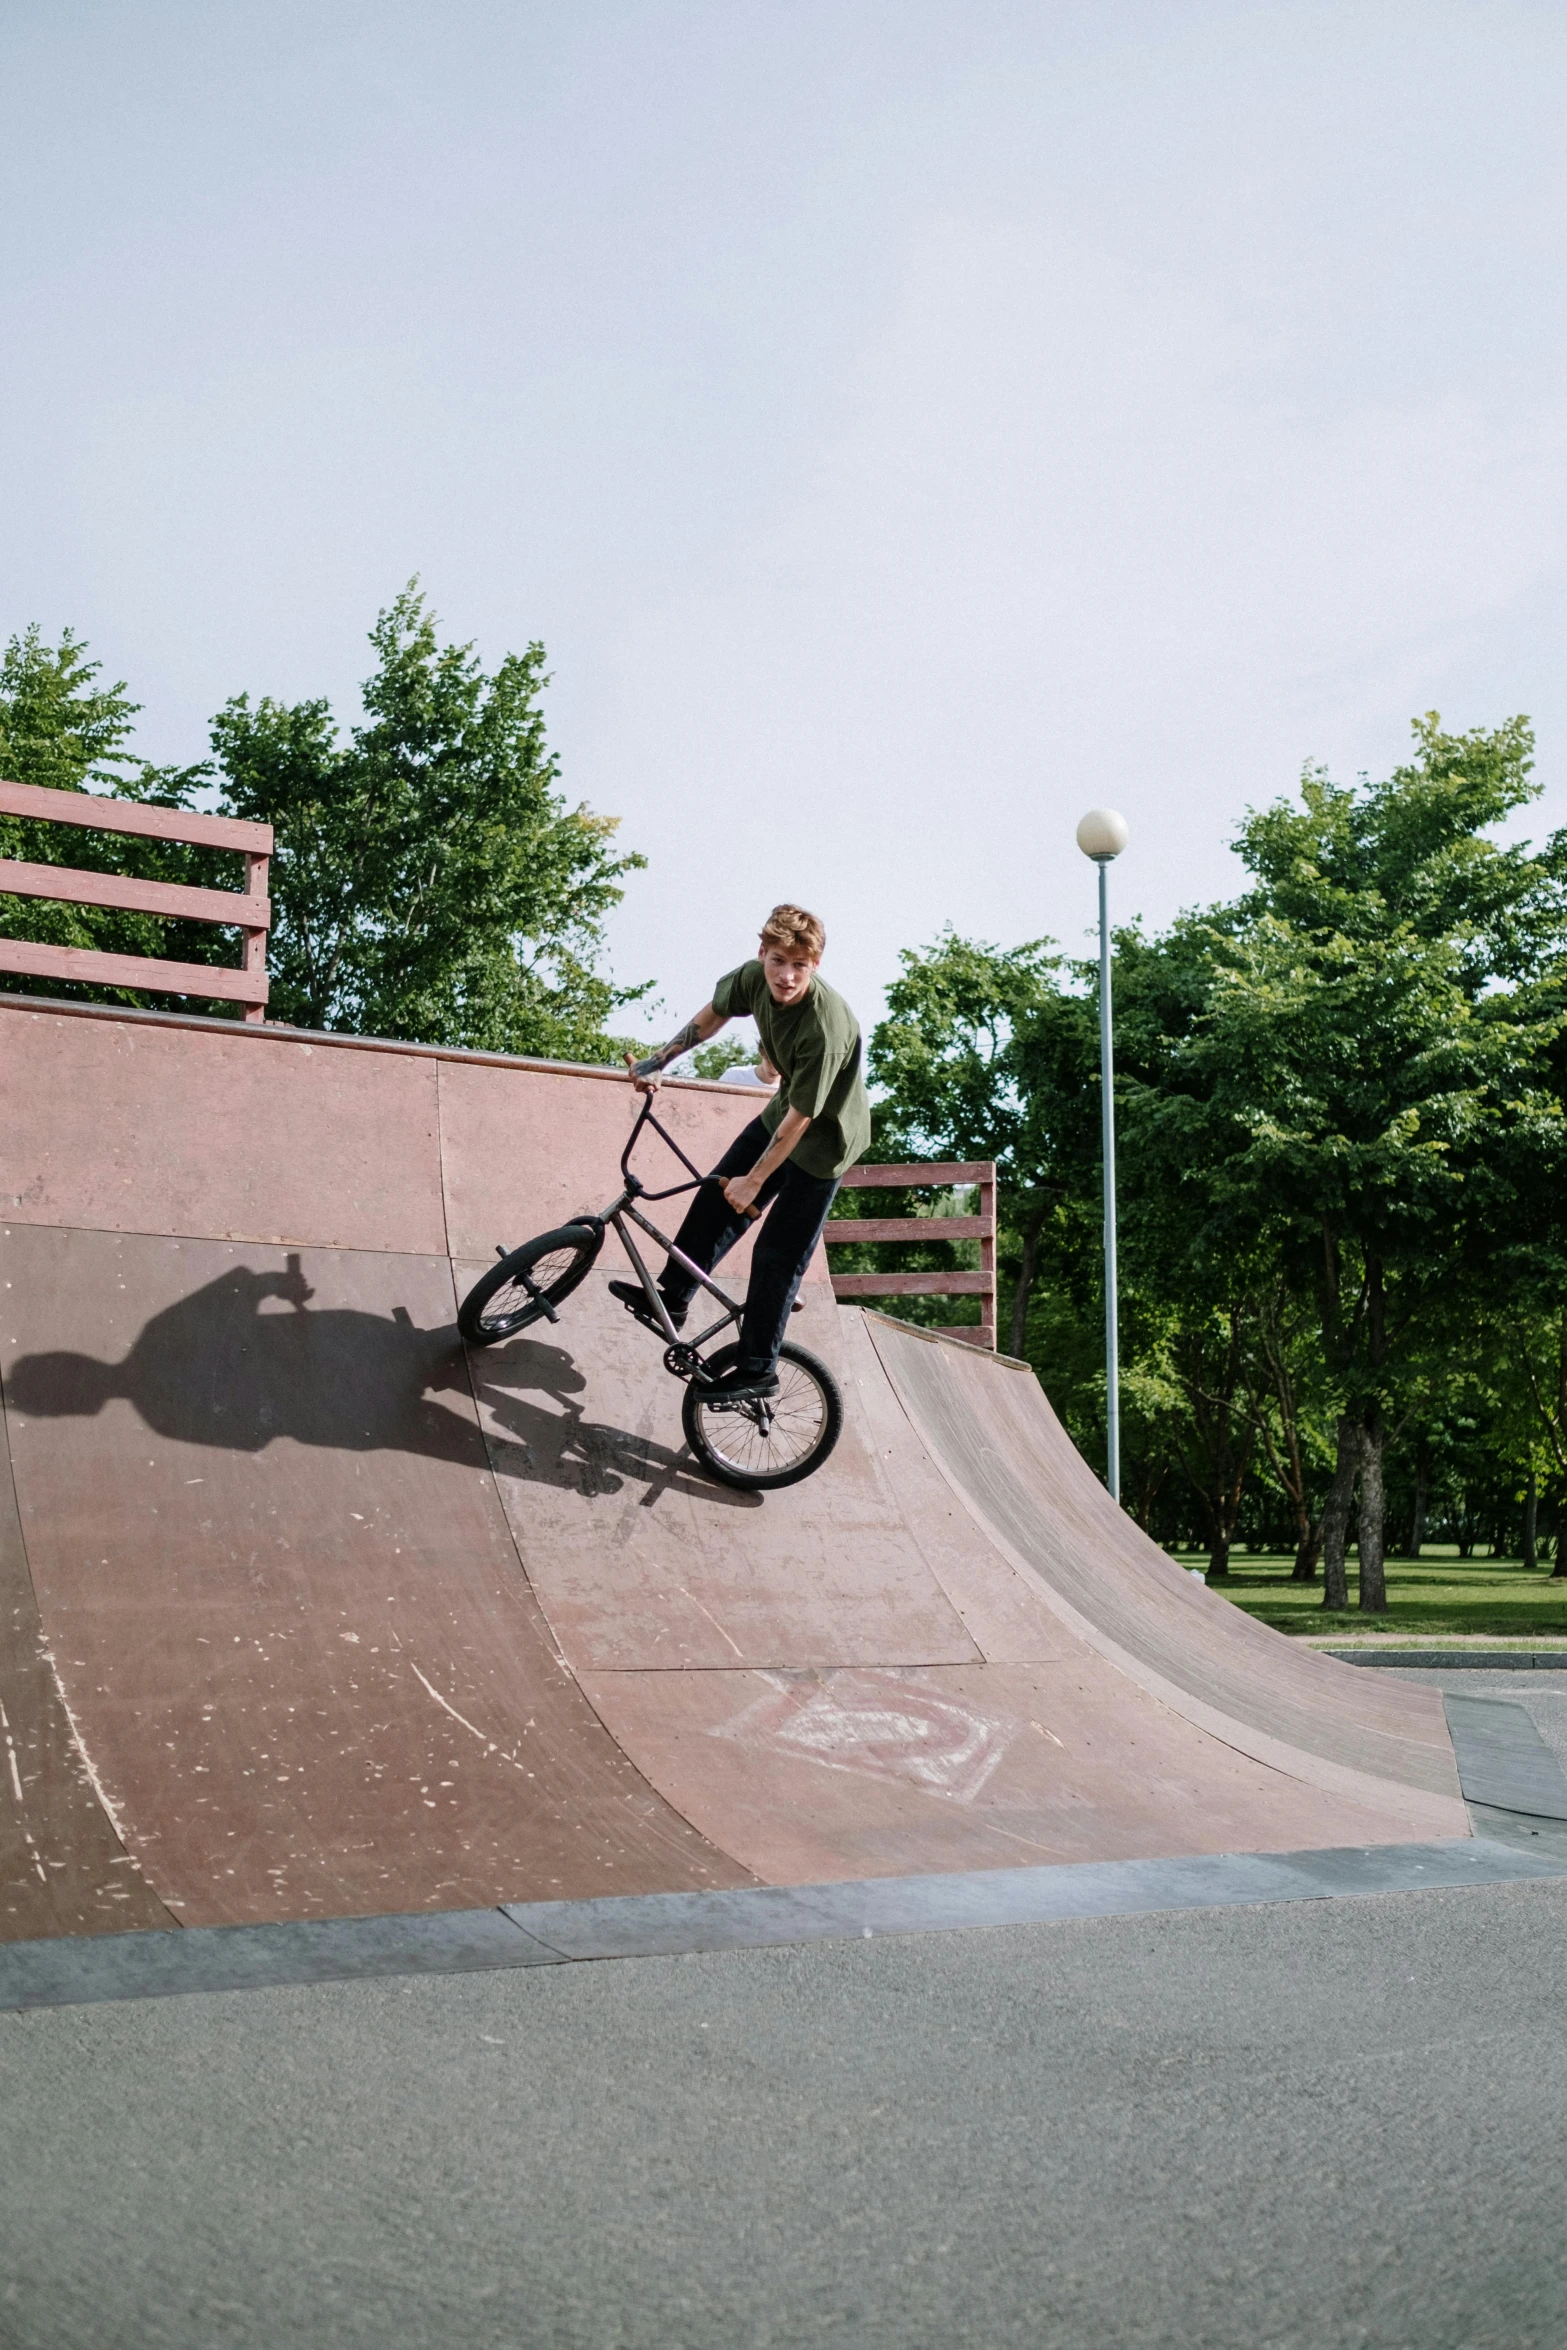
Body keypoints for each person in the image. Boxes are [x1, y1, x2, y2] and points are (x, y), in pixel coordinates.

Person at [610, 903, 870, 1400]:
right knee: (714, 1195)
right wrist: (658, 1059)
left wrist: (755, 1181)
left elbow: (803, 1120)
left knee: (777, 1253)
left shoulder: (826, 1027)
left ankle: (757, 1370)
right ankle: (673, 1295)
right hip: (781, 1117)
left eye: (799, 966)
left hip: (824, 1145)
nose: (786, 977)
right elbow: (711, 1018)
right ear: (762, 954)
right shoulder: (753, 979)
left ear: (815, 966)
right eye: (778, 961)